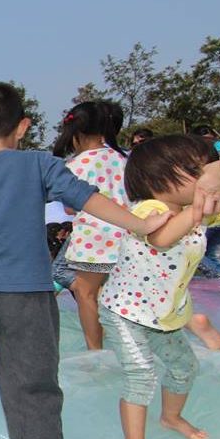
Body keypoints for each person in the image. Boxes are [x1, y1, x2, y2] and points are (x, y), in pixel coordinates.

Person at [0, 81, 168, 439]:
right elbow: (89, 198)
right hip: (28, 295)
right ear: (22, 126)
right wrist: (140, 225)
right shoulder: (40, 164)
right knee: (32, 379)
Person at [99, 134, 220, 439]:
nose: (204, 178)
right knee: (141, 372)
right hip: (125, 311)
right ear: (158, 179)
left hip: (164, 313)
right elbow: (161, 238)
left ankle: (171, 418)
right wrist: (196, 213)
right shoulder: (150, 210)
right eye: (193, 170)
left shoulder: (192, 211)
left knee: (185, 367)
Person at [52, 101, 129, 350]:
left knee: (86, 294)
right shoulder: (122, 158)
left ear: (76, 133)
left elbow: (70, 208)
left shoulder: (75, 166)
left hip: (93, 240)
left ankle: (95, 350)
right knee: (120, 297)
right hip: (128, 237)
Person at [192, 125, 220, 279]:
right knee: (213, 255)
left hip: (208, 218)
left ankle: (219, 275)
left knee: (195, 250)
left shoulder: (198, 153)